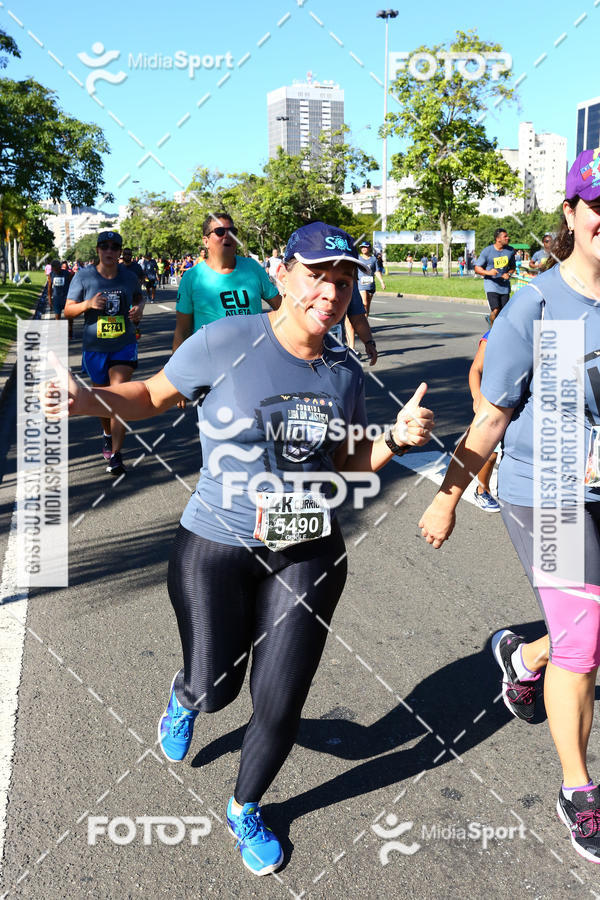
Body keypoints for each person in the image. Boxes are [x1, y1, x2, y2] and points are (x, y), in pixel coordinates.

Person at [49, 222, 434, 876]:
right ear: (281, 275)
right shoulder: (226, 340)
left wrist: (394, 440)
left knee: (279, 701)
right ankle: (185, 695)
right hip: (216, 544)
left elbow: (343, 459)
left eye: (344, 281)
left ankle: (245, 805)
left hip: (307, 546)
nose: (331, 292)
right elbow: (149, 395)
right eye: (317, 276)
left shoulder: (342, 372)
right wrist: (89, 399)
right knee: (217, 689)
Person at [418, 147, 600, 864]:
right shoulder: (541, 306)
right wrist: (450, 496)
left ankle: (524, 661)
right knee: (585, 639)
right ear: (572, 213)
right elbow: (492, 416)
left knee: (585, 622)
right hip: (547, 489)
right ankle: (579, 789)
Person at [64, 231, 144, 476]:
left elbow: (139, 298)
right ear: (98, 250)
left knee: (118, 395)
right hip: (95, 348)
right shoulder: (83, 276)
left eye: (114, 247)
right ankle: (107, 434)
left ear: (120, 252)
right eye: (104, 247)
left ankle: (117, 455)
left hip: (124, 344)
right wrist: (87, 305)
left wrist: (139, 309)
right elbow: (68, 311)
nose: (109, 251)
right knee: (102, 399)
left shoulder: (129, 277)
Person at [172, 213, 280, 351]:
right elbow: (182, 331)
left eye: (232, 232)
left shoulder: (252, 267)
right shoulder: (191, 278)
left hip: (254, 359)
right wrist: (176, 370)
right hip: (210, 366)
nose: (228, 236)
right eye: (220, 231)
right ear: (206, 241)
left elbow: (281, 307)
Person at [469, 328, 500, 512]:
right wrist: (477, 396)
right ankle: (482, 490)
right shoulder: (494, 334)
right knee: (491, 453)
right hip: (494, 401)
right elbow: (476, 369)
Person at [474, 228, 516, 324]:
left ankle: (490, 319)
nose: (508, 238)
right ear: (498, 239)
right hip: (491, 285)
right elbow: (477, 268)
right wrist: (488, 273)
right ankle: (493, 332)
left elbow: (513, 267)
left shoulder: (510, 251)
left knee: (503, 312)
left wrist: (509, 273)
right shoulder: (487, 251)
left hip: (504, 286)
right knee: (496, 310)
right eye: (505, 236)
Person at [47, 259, 73, 339]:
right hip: (56, 299)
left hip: (66, 298)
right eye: (54, 269)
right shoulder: (51, 275)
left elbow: (72, 285)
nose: (56, 270)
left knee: (69, 317)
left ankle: (70, 332)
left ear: (60, 267)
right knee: (57, 318)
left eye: (57, 268)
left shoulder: (67, 273)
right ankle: (58, 334)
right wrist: (50, 299)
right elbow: (49, 288)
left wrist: (73, 297)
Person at [357, 241, 378, 316]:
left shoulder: (373, 259)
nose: (363, 248)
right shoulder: (358, 258)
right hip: (361, 284)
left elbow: (376, 271)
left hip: (371, 284)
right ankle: (362, 323)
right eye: (362, 247)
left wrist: (382, 282)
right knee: (364, 302)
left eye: (365, 247)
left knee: (368, 305)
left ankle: (366, 321)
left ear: (369, 248)